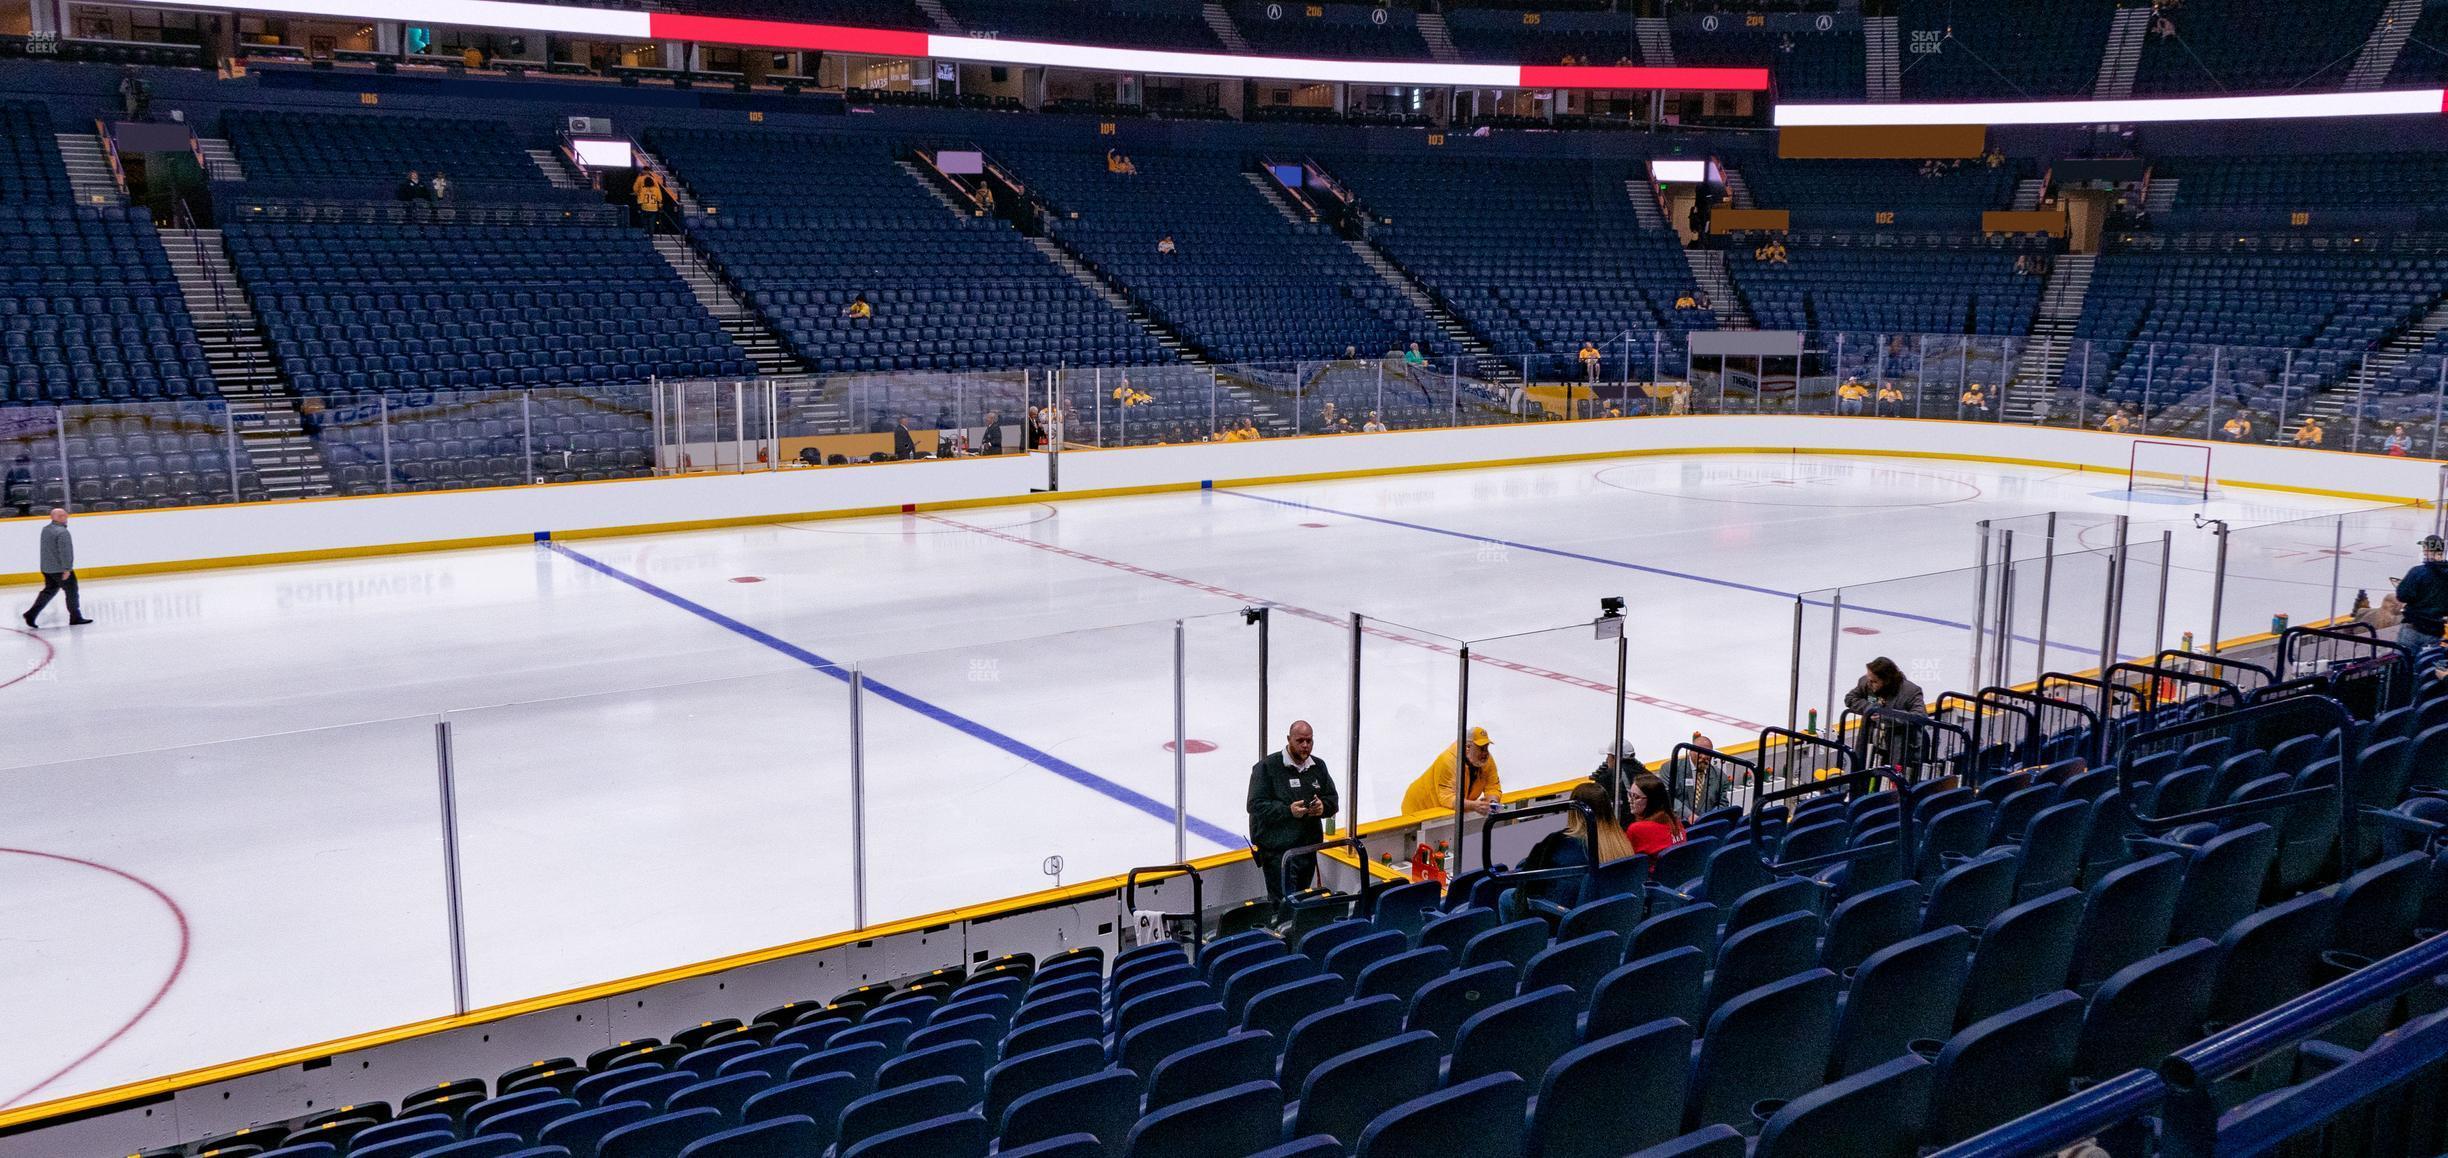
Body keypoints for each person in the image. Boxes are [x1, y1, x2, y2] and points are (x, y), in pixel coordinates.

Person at [1247, 719, 1337, 920]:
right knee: (1284, 908)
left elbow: (1333, 800)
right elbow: (1255, 805)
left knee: (1302, 904)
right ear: (1289, 740)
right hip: (1279, 854)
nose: (1306, 745)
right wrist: (1288, 811)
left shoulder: (1318, 766)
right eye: (1300, 741)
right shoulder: (1267, 768)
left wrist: (1324, 807)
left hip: (1307, 850)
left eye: (1309, 741)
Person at [1843, 656, 1927, 768]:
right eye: (1869, 679)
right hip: (1871, 744)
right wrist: (1870, 708)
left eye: (1874, 681)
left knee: (1893, 781)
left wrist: (1886, 715)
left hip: (1900, 748)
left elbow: (1921, 717)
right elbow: (1850, 698)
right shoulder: (1866, 682)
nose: (1869, 684)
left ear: (1887, 680)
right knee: (1865, 776)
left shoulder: (1911, 691)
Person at [1402, 726, 1501, 816]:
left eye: (1486, 747)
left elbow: (1492, 785)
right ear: (1467, 747)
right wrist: (1473, 805)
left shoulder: (1486, 761)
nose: (1485, 753)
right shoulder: (1448, 761)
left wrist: (1493, 803)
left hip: (1445, 808)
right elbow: (1447, 798)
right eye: (1481, 748)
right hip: (1418, 806)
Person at [22, 508, 90, 628]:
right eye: (63, 516)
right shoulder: (62, 532)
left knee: (49, 591)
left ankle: (31, 614)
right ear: (57, 517)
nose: (66, 517)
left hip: (47, 568)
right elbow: (65, 552)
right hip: (59, 569)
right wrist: (67, 568)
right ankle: (75, 616)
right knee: (72, 591)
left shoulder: (46, 529)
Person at [2394, 535, 2448, 653]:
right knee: (2425, 666)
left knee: (2402, 664)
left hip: (2413, 629)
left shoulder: (2418, 572)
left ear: (2427, 550)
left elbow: (2402, 595)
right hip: (2435, 631)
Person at [1622, 772, 1684, 858]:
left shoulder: (1636, 829)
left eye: (1635, 797)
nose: (1630, 800)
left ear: (1652, 800)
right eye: (1630, 795)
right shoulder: (1676, 821)